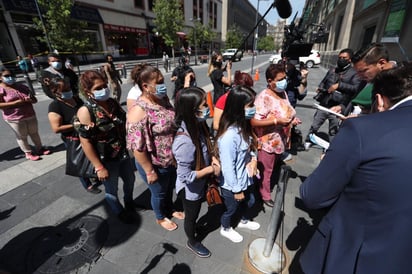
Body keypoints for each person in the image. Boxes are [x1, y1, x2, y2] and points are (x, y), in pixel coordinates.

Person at [299, 63, 412, 274]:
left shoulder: (362, 130)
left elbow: (312, 195)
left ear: (379, 100)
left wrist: (328, 163)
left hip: (350, 257)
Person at [73, 70, 136, 224]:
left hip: (122, 153)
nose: (104, 89)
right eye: (98, 88)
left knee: (130, 181)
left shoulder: (112, 103)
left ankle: (129, 203)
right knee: (111, 190)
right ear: (88, 92)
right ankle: (118, 210)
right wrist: (99, 167)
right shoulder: (85, 111)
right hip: (106, 159)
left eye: (105, 85)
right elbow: (85, 142)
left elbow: (125, 120)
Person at [126, 64, 183, 231]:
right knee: (158, 193)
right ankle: (160, 216)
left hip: (171, 159)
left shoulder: (163, 99)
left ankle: (170, 208)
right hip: (154, 164)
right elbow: (137, 147)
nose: (163, 85)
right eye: (159, 82)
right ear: (145, 86)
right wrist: (149, 170)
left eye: (163, 81)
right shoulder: (138, 110)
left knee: (169, 188)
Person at [172, 87, 221, 257]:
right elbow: (185, 176)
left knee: (197, 212)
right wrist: (210, 169)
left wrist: (213, 157)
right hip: (190, 190)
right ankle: (191, 241)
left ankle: (193, 229)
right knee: (191, 217)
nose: (207, 107)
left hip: (200, 184)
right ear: (191, 110)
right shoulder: (184, 142)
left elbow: (208, 147)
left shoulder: (199, 125)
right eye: (203, 105)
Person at [251, 64, 300, 207]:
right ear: (269, 80)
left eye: (284, 78)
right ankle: (264, 195)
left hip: (280, 140)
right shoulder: (264, 97)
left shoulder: (282, 93)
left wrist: (292, 119)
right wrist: (276, 120)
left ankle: (265, 189)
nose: (284, 81)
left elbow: (287, 110)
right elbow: (254, 122)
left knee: (273, 168)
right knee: (266, 170)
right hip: (267, 142)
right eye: (280, 79)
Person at [216, 85, 260, 243]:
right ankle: (226, 228)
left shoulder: (244, 126)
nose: (254, 109)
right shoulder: (229, 137)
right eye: (250, 106)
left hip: (245, 177)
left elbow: (251, 147)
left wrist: (254, 159)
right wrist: (236, 190)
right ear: (237, 108)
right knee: (232, 208)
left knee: (251, 201)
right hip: (232, 184)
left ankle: (243, 221)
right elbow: (227, 167)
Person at [47, 77, 101, 194]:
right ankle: (87, 184)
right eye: (64, 89)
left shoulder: (76, 99)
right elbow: (56, 128)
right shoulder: (55, 106)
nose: (68, 91)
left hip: (85, 133)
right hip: (72, 139)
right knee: (79, 160)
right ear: (55, 91)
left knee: (91, 154)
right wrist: (76, 125)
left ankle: (93, 173)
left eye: (68, 88)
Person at [305, 48, 364, 149]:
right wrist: (320, 87)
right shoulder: (333, 69)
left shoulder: (354, 73)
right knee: (315, 124)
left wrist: (340, 85)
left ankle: (330, 148)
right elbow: (324, 80)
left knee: (334, 129)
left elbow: (355, 88)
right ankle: (309, 139)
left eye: (344, 58)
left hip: (339, 106)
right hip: (325, 103)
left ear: (350, 59)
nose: (341, 59)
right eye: (340, 57)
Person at [0, 69, 50, 161]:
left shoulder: (21, 86)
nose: (10, 77)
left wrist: (30, 99)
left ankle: (39, 148)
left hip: (30, 114)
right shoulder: (1, 89)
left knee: (34, 133)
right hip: (14, 118)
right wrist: (15, 103)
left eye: (11, 75)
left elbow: (34, 100)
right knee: (22, 136)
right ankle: (28, 152)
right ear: (0, 77)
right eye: (6, 76)